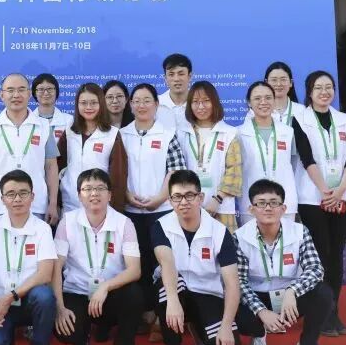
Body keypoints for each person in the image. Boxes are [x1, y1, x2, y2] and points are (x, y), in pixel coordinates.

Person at [234, 179, 335, 345]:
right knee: (235, 311)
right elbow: (239, 282)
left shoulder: (299, 231)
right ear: (251, 209)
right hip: (257, 297)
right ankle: (258, 334)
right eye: (261, 203)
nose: (268, 208)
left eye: (274, 203)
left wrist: (292, 291)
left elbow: (315, 269)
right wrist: (261, 311)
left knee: (324, 294)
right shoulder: (240, 237)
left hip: (289, 299)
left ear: (283, 208)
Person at [152, 170, 241, 345]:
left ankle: (198, 330)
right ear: (170, 200)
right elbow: (167, 263)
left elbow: (232, 284)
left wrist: (226, 326)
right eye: (177, 197)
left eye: (189, 195)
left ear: (200, 197)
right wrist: (173, 300)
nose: (183, 202)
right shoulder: (161, 226)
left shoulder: (220, 232)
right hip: (174, 290)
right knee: (169, 286)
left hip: (207, 293)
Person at [53, 169, 144, 345]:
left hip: (111, 294)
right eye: (87, 189)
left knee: (135, 295)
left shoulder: (124, 223)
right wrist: (60, 308)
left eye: (100, 188)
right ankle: (81, 337)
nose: (94, 193)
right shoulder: (67, 222)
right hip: (77, 292)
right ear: (79, 195)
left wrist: (105, 287)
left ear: (110, 195)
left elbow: (134, 270)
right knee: (65, 331)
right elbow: (55, 267)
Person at [293, 71, 346, 337]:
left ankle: (333, 310)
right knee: (321, 254)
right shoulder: (300, 119)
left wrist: (338, 191)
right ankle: (321, 312)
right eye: (318, 87)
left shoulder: (344, 119)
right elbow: (306, 157)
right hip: (312, 196)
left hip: (344, 196)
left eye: (329, 87)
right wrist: (324, 190)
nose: (324, 92)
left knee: (336, 255)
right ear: (309, 92)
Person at [0, 170, 57, 345]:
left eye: (23, 193)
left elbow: (45, 274)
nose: (17, 199)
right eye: (11, 194)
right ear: (2, 199)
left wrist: (11, 296)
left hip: (29, 300)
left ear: (33, 196)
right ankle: (7, 343)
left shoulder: (42, 229)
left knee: (45, 296)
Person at [119, 83, 185, 318]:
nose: (142, 105)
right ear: (130, 105)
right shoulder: (121, 135)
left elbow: (175, 171)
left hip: (162, 210)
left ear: (156, 105)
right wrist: (127, 196)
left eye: (147, 100)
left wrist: (159, 198)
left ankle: (162, 314)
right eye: (137, 101)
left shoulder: (168, 134)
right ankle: (141, 313)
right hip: (130, 211)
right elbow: (117, 171)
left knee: (162, 262)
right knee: (137, 261)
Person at [0, 73, 60, 225]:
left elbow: (51, 167)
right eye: (10, 90)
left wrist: (53, 203)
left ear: (29, 94)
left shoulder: (43, 126)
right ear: (2, 95)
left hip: (36, 205)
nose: (16, 95)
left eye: (21, 90)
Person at [177, 81, 242, 232]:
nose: (201, 106)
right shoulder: (181, 133)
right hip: (188, 206)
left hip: (221, 206)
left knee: (224, 245)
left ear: (215, 102)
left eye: (206, 101)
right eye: (195, 102)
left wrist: (217, 199)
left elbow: (234, 171)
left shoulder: (229, 133)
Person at [58, 83, 128, 214]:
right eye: (83, 103)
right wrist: (56, 202)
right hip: (69, 205)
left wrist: (116, 210)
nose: (88, 107)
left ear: (101, 104)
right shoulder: (69, 131)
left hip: (101, 206)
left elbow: (118, 176)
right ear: (77, 105)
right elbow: (56, 165)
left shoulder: (112, 134)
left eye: (93, 103)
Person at [237, 82, 298, 225]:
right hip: (251, 203)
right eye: (257, 98)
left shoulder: (288, 132)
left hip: (284, 202)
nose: (263, 102)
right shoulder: (238, 133)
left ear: (274, 100)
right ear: (249, 103)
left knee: (286, 238)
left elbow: (294, 164)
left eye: (268, 98)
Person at [244, 61, 306, 126]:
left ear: (291, 83)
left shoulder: (301, 110)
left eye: (283, 79)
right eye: (274, 80)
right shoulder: (256, 111)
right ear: (266, 82)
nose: (279, 84)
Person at [31, 73, 73, 142]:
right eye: (41, 89)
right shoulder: (27, 120)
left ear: (56, 92)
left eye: (50, 89)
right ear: (35, 93)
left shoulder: (69, 120)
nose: (46, 93)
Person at [156, 53, 193, 129]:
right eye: (171, 74)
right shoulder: (155, 104)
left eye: (181, 74)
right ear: (165, 78)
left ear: (189, 76)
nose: (176, 79)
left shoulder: (199, 104)